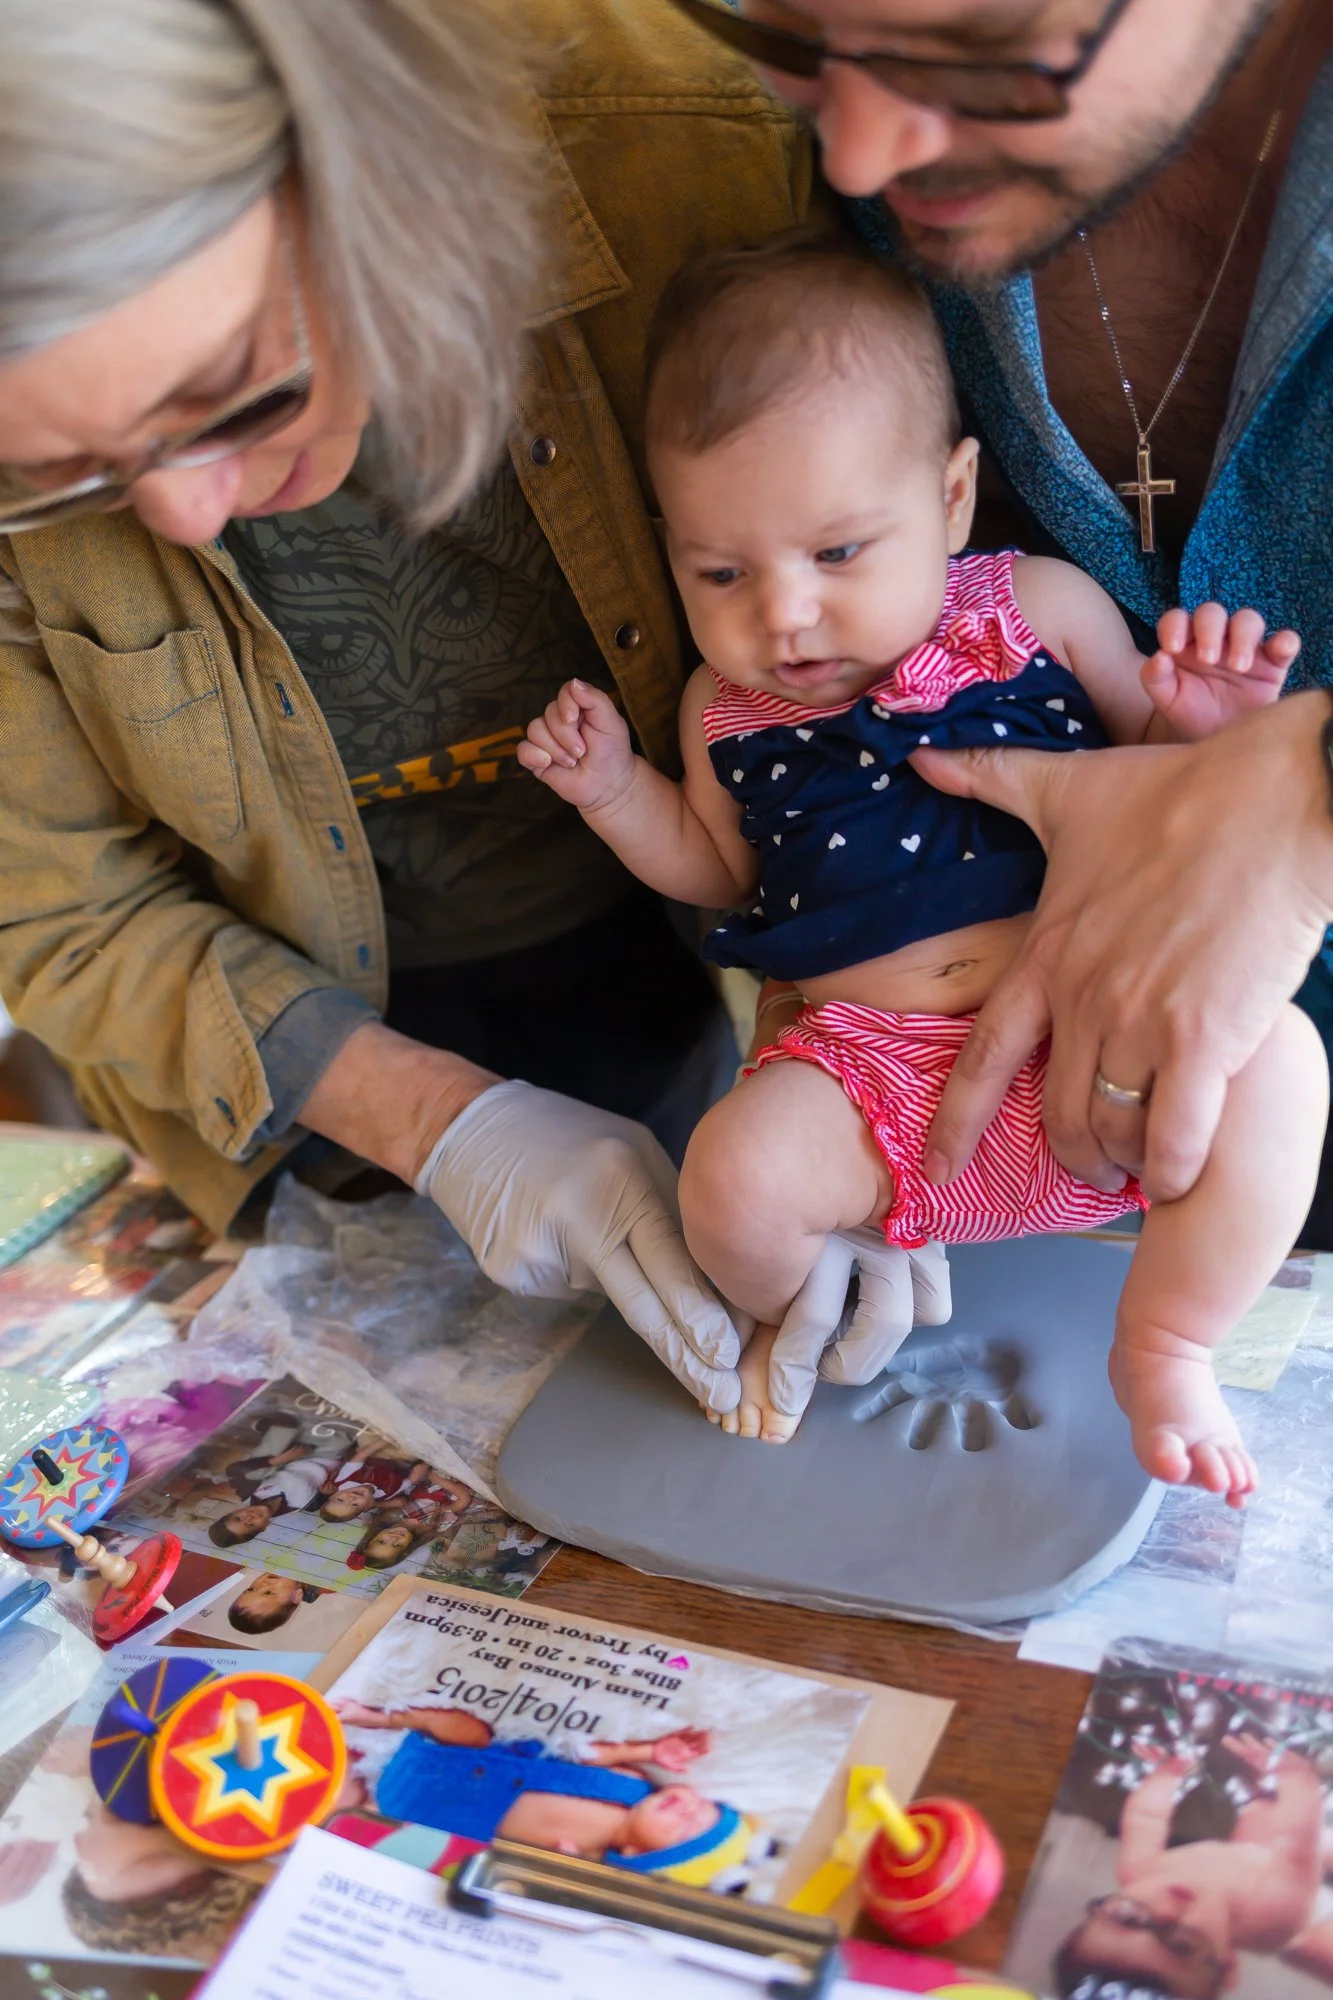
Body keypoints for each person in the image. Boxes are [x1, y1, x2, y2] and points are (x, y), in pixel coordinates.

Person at [0, 0, 947, 1416]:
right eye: (67, 472)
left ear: (366, 171)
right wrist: (439, 1121)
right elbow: (63, 907)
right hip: (276, 1062)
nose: (184, 514)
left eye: (231, 399)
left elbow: (902, 636)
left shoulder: (683, 142)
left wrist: (882, 1044)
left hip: (658, 962)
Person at [521, 234, 1326, 1497]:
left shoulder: (1035, 607)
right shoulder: (720, 711)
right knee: (728, 1180)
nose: (782, 614)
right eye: (720, 571)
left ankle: (1168, 1338)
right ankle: (814, 1307)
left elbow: (1163, 789)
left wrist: (1204, 730)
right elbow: (719, 869)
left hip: (1098, 1029)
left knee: (1282, 1058)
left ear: (951, 500)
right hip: (869, 1078)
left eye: (838, 553)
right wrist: (619, 791)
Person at [671, 0, 1333, 1238]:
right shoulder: (817, 182)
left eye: (977, 48)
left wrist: (1306, 785)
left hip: (1255, 1108)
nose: (854, 157)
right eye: (795, 35)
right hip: (947, 1121)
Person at [336, 1701, 765, 1886]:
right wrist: (649, 1751)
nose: (688, 1809)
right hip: (468, 1756)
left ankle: (351, 1800)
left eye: (687, 1830)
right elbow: (586, 1754)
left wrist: (562, 1861)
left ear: (635, 1856)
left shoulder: (588, 1857)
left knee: (358, 1811)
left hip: (431, 1809)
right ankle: (374, 1717)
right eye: (702, 1806)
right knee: (463, 1725)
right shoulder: (633, 1782)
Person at [1053, 1742, 1333, 1999]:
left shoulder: (1137, 1874)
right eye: (1182, 1945)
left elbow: (1145, 1819)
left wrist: (1166, 1775)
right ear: (1228, 1963)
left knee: (1260, 1814)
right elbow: (1300, 1841)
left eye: (1128, 1919)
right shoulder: (1274, 1915)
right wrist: (1297, 1779)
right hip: (1307, 1894)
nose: (1165, 1911)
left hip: (1256, 1858)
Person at [227, 1568, 321, 1633]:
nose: (263, 1584)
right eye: (269, 1593)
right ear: (297, 1596)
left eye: (251, 1589)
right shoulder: (323, 1583)